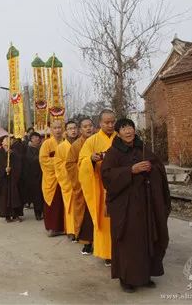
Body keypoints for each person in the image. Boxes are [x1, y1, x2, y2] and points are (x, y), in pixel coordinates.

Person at [101, 119, 171, 293]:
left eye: (130, 127)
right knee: (128, 241)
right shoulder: (113, 152)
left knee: (147, 237)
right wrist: (130, 170)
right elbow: (107, 176)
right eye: (123, 128)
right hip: (126, 205)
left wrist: (151, 168)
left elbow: (158, 167)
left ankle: (145, 275)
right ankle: (126, 278)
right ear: (118, 132)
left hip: (146, 203)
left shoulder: (143, 148)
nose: (128, 131)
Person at [78, 109, 117, 267]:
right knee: (105, 221)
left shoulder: (120, 138)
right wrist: (91, 160)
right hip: (100, 187)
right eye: (106, 122)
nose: (110, 125)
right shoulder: (92, 141)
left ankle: (119, 251)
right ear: (100, 123)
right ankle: (107, 253)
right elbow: (81, 162)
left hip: (120, 185)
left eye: (112, 122)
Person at [66, 118, 95, 255]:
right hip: (83, 185)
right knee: (86, 215)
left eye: (90, 126)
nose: (88, 128)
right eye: (85, 126)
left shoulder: (98, 141)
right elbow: (70, 165)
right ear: (80, 129)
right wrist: (82, 176)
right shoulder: (76, 145)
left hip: (98, 185)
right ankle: (87, 243)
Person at [39, 120, 65, 237]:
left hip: (65, 177)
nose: (58, 130)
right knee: (53, 204)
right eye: (55, 128)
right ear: (51, 130)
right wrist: (59, 161)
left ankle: (65, 227)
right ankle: (53, 228)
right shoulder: (47, 144)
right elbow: (43, 160)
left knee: (64, 203)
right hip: (52, 179)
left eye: (60, 127)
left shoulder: (66, 142)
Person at [54, 121, 79, 240]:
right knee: (70, 206)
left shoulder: (82, 144)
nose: (73, 130)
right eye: (70, 128)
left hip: (81, 180)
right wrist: (71, 166)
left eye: (75, 128)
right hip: (68, 181)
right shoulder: (61, 147)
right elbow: (58, 165)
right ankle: (71, 230)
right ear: (66, 131)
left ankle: (81, 230)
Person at [0, 135, 24, 223]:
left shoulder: (14, 152)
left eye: (10, 140)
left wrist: (12, 155)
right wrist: (4, 170)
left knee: (15, 197)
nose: (8, 141)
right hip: (3, 180)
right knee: (5, 198)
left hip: (13, 179)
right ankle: (7, 216)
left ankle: (16, 215)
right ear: (2, 142)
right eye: (6, 140)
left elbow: (19, 164)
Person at [23, 131, 44, 220]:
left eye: (38, 137)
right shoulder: (28, 149)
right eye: (34, 137)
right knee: (37, 196)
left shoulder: (42, 148)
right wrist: (42, 157)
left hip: (43, 174)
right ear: (31, 139)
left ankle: (44, 212)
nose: (37, 139)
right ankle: (37, 213)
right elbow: (31, 160)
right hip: (33, 176)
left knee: (43, 195)